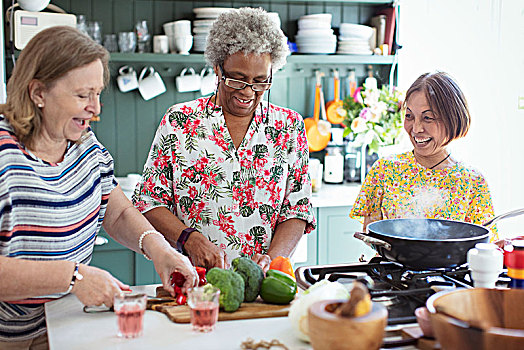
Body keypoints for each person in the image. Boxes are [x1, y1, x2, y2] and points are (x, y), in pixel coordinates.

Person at [0, 26, 198, 348]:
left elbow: (116, 211)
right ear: (38, 93)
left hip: (69, 325)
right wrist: (73, 277)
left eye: (98, 93)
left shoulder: (83, 143)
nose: (97, 108)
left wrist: (159, 249)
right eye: (82, 95)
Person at [133, 7, 315, 272]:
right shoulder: (179, 122)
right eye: (237, 79)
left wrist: (272, 260)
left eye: (260, 81)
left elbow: (297, 209)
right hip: (195, 278)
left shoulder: (288, 126)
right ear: (218, 69)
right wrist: (189, 239)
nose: (248, 92)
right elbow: (149, 201)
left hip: (267, 285)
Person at [350, 72, 498, 241]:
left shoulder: (472, 181)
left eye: (428, 118)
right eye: (409, 116)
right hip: (391, 266)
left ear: (453, 119)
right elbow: (372, 236)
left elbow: (483, 246)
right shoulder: (385, 169)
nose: (416, 128)